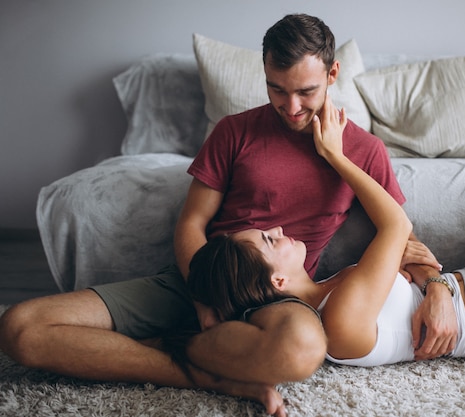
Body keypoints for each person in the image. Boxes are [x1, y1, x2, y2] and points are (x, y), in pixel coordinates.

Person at [0, 14, 442, 416]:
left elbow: (402, 237)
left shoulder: (364, 151)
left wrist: (436, 288)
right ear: (265, 74)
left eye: (306, 92)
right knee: (20, 328)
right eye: (277, 89)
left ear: (332, 74)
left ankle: (166, 352)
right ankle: (213, 376)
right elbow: (192, 223)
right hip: (197, 278)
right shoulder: (235, 131)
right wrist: (204, 300)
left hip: (276, 295)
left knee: (302, 351)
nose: (291, 108)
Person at [188, 97, 465, 369]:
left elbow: (411, 249)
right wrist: (335, 156)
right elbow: (398, 226)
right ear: (277, 281)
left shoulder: (334, 288)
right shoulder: (338, 321)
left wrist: (433, 284)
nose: (279, 229)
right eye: (268, 241)